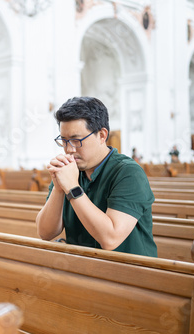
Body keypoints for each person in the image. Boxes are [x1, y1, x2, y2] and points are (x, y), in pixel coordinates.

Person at [35, 96, 157, 257]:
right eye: (64, 141)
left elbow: (110, 239)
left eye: (76, 140)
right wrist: (58, 188)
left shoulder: (129, 173)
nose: (69, 149)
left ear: (102, 135)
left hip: (130, 275)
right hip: (83, 271)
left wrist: (72, 187)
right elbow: (45, 233)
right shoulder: (69, 171)